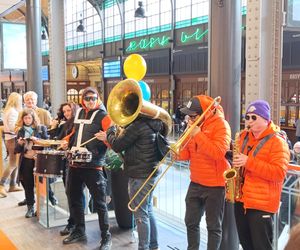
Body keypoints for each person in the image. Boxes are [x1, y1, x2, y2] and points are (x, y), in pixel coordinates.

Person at [175, 95, 231, 250]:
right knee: (190, 221)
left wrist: (198, 134)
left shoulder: (222, 125)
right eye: (189, 115)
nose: (190, 118)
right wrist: (176, 153)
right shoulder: (193, 125)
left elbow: (218, 152)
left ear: (205, 113)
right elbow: (187, 154)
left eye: (193, 115)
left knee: (213, 226)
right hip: (196, 181)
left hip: (215, 185)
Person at [233, 100, 290, 250]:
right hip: (242, 201)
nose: (249, 121)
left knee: (262, 247)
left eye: (254, 117)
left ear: (266, 120)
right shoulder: (243, 137)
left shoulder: (277, 142)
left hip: (261, 205)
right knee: (246, 245)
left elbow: (279, 173)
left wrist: (248, 162)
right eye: (247, 117)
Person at [105, 112, 166, 250]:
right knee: (148, 210)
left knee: (140, 213)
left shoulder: (136, 126)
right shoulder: (153, 123)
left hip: (139, 174)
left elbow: (117, 145)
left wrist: (110, 130)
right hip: (151, 171)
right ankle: (153, 245)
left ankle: (144, 247)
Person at [60, 87, 112, 250]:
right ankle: (79, 230)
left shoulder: (105, 117)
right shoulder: (80, 113)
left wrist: (106, 138)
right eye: (87, 98)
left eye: (93, 98)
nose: (90, 101)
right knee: (73, 197)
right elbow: (75, 134)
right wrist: (66, 141)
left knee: (100, 203)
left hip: (94, 166)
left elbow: (115, 141)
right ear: (83, 99)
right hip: (75, 165)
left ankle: (106, 238)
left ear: (98, 98)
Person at [17, 91, 56, 207]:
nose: (30, 101)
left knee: (43, 181)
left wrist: (39, 138)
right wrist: (21, 140)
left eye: (32, 99)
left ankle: (49, 197)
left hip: (39, 154)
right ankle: (30, 202)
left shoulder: (43, 113)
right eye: (28, 99)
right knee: (27, 180)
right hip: (27, 154)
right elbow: (16, 128)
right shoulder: (21, 117)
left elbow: (50, 129)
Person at [50, 102, 80, 236]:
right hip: (66, 163)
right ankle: (73, 223)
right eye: (65, 111)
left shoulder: (79, 124)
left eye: (69, 110)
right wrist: (53, 126)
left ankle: (75, 223)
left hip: (77, 164)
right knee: (69, 194)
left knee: (74, 195)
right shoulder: (64, 125)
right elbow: (55, 140)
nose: (67, 113)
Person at [14, 108, 49, 218]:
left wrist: (37, 140)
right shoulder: (21, 131)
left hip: (38, 160)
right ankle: (30, 207)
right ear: (22, 119)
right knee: (27, 183)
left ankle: (42, 207)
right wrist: (19, 144)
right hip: (26, 160)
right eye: (25, 118)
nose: (27, 120)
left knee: (41, 185)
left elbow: (48, 144)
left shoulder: (41, 128)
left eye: (29, 117)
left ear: (33, 118)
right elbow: (17, 150)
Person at [0, 92, 23, 198]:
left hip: (10, 138)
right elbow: (13, 127)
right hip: (13, 139)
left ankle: (12, 185)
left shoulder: (8, 111)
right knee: (13, 163)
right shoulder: (13, 112)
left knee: (15, 163)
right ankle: (1, 184)